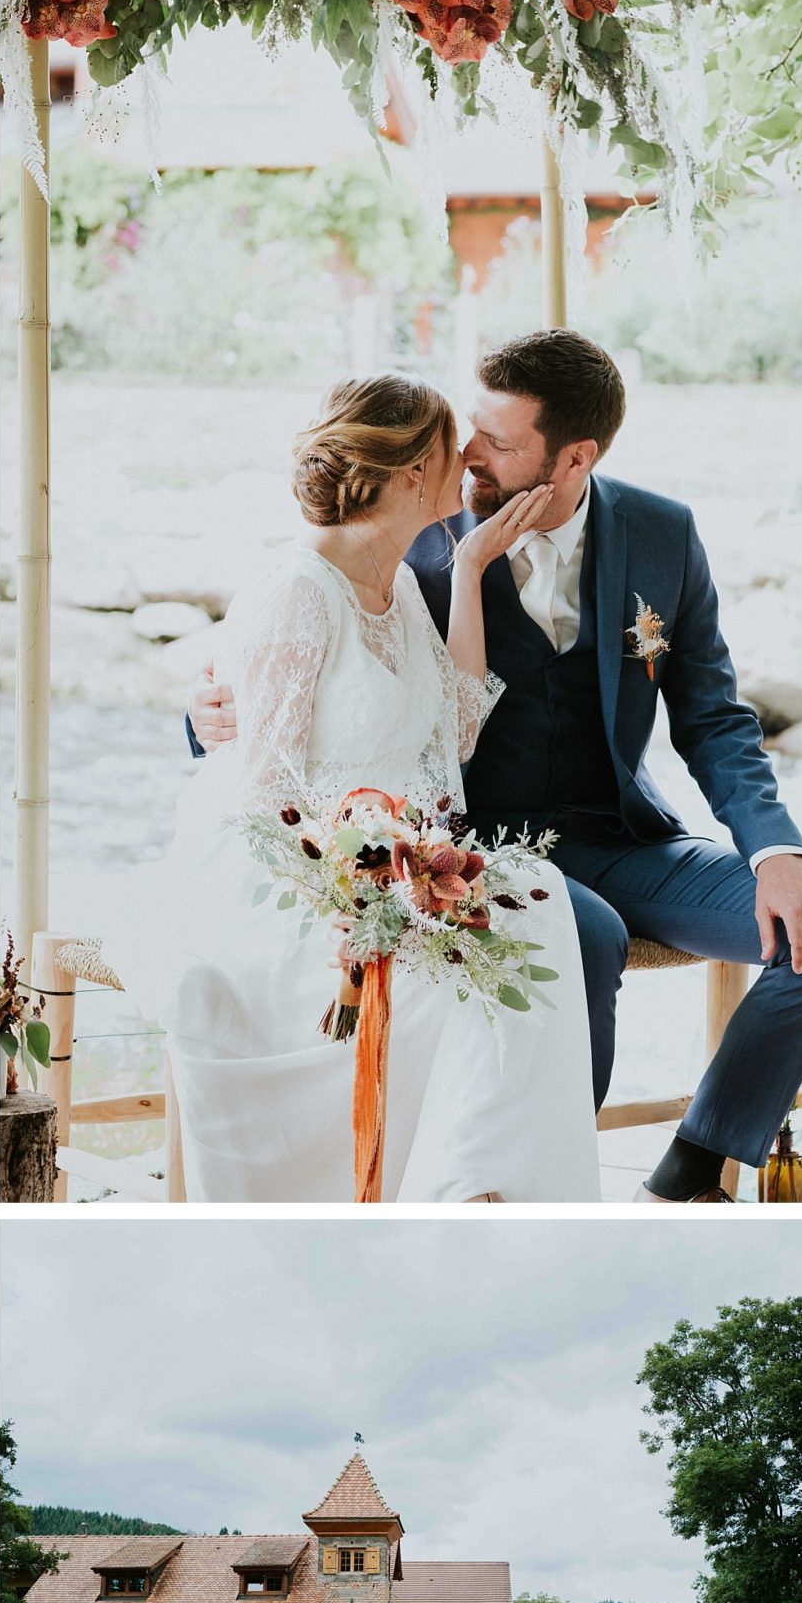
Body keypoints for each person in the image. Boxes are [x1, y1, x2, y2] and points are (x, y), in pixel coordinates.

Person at [191, 331, 802, 1201]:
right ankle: (550, 1184)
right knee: (579, 935)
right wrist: (203, 712)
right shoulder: (417, 533)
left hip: (622, 837)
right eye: (469, 431)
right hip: (474, 851)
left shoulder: (661, 534)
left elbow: (711, 716)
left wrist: (777, 855)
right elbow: (299, 667)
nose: (469, 455)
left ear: (573, 456)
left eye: (500, 443)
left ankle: (690, 1167)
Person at [100, 374, 599, 1200]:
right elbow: (265, 797)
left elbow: (459, 731)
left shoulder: (400, 583)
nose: (469, 460)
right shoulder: (296, 591)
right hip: (290, 877)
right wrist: (358, 889)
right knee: (458, 992)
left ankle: (483, 1187)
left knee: (537, 903)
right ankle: (443, 1191)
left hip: (386, 861)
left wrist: (470, 569)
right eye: (452, 450)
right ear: (410, 475)